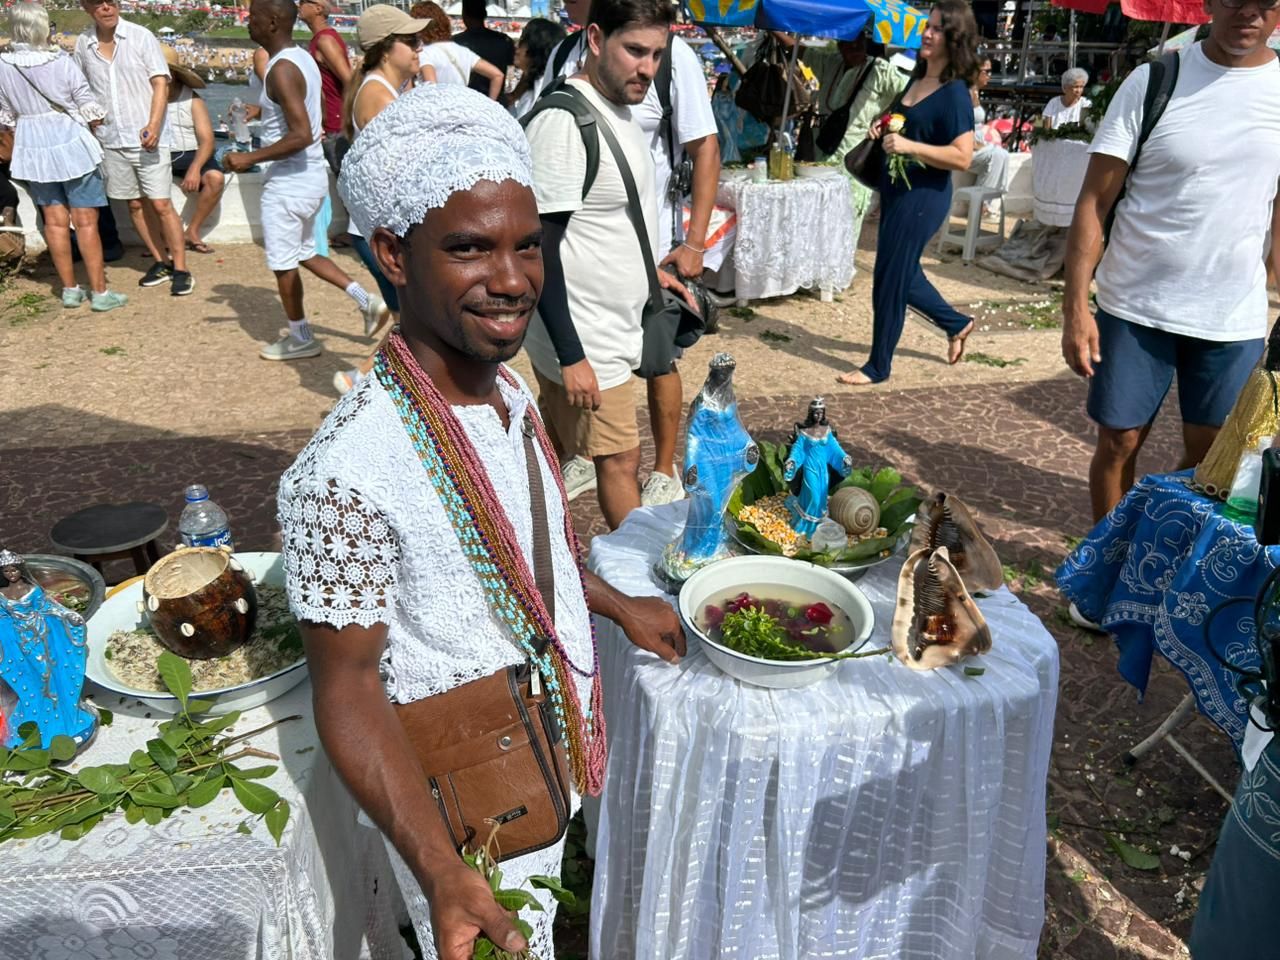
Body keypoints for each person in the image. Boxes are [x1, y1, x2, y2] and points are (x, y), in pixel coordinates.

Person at [293, 81, 684, 960]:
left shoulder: (506, 392)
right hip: (464, 806)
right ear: (392, 254)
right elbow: (346, 689)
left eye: (527, 245)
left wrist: (616, 605)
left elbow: (508, 557)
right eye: (469, 248)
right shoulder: (346, 474)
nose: (511, 280)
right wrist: (439, 870)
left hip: (544, 748)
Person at [1062, 0, 1280, 532]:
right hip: (1135, 304)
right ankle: (1107, 563)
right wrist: (1075, 308)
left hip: (1231, 314)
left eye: (1265, 4)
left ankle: (1159, 547)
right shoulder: (1155, 80)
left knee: (1214, 455)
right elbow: (1094, 201)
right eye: (1235, 0)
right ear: (1208, 4)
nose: (1249, 15)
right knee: (1119, 441)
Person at [531, 0, 717, 509]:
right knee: (619, 460)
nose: (648, 68)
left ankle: (548, 543)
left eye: (656, 54)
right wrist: (572, 355)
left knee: (575, 451)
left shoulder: (621, 111)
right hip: (588, 335)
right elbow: (539, 249)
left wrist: (648, 274)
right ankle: (633, 559)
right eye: (635, 51)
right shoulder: (565, 123)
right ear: (595, 39)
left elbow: (610, 219)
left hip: (611, 326)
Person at [224, 0, 386, 362]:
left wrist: (247, 158)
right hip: (310, 176)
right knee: (307, 252)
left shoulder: (280, 69)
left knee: (283, 263)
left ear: (273, 22)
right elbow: (309, 110)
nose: (248, 22)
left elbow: (300, 134)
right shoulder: (302, 59)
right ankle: (366, 300)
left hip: (288, 182)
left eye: (254, 17)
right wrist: (262, 111)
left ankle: (300, 338)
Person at [835, 0, 978, 386]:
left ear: (955, 38)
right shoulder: (917, 78)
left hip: (923, 197)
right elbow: (907, 123)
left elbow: (963, 156)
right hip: (897, 191)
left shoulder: (954, 93)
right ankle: (956, 323)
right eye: (927, 26)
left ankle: (878, 367)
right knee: (898, 272)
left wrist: (910, 147)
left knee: (889, 279)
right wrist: (882, 127)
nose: (927, 34)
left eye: (937, 29)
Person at [0, 1, 126, 311]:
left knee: (54, 222)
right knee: (86, 221)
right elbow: (85, 101)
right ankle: (100, 293)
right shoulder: (59, 60)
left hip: (33, 147)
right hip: (70, 142)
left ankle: (70, 289)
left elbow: (7, 115)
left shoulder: (4, 65)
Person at [331, 2, 428, 397]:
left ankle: (364, 380)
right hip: (377, 230)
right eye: (411, 41)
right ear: (387, 49)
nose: (420, 47)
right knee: (415, 319)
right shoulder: (377, 95)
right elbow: (409, 161)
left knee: (412, 317)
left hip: (374, 228)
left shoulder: (383, 89)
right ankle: (361, 380)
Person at [75, 0, 193, 296]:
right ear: (86, 7)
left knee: (162, 204)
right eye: (98, 3)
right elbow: (81, 87)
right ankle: (160, 261)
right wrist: (90, 118)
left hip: (147, 137)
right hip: (111, 138)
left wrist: (153, 124)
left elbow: (160, 83)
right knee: (135, 204)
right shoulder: (83, 44)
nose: (106, 8)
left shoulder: (141, 37)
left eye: (111, 1)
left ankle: (181, 268)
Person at [801, 33, 907, 250]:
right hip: (822, 157)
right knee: (817, 220)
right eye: (850, 41)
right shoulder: (831, 62)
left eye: (861, 41)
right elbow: (801, 50)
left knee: (845, 225)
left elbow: (910, 93)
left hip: (854, 163)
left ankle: (838, 268)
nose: (856, 46)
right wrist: (773, 26)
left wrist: (886, 119)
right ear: (840, 44)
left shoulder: (881, 71)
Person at [160, 45, 224, 254]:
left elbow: (207, 140)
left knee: (215, 179)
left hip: (191, 153)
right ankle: (165, 236)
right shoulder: (144, 98)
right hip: (159, 154)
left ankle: (193, 231)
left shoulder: (192, 100)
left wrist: (195, 168)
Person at [411, 1, 504, 99]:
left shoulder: (425, 53)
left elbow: (431, 87)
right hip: (462, 104)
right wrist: (490, 103)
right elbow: (497, 75)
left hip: (440, 106)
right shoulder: (463, 51)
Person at [298, 0, 351, 167]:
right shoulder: (319, 39)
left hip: (337, 126)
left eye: (303, 2)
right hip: (332, 124)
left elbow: (349, 80)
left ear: (318, 9)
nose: (298, 5)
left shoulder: (325, 41)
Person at [969, 55, 1008, 218]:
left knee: (1002, 154)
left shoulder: (975, 91)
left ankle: (984, 203)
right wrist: (977, 144)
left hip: (977, 142)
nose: (990, 76)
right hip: (966, 145)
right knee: (997, 155)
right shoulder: (964, 93)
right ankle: (982, 205)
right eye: (987, 71)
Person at [453, 0, 514, 99]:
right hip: (497, 100)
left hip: (464, 100)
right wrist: (513, 95)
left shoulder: (455, 43)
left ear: (464, 15)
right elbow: (520, 69)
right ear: (485, 14)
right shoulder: (504, 41)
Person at [507, 17, 566, 119]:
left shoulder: (545, 91)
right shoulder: (530, 86)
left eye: (522, 41)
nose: (516, 46)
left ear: (536, 47)